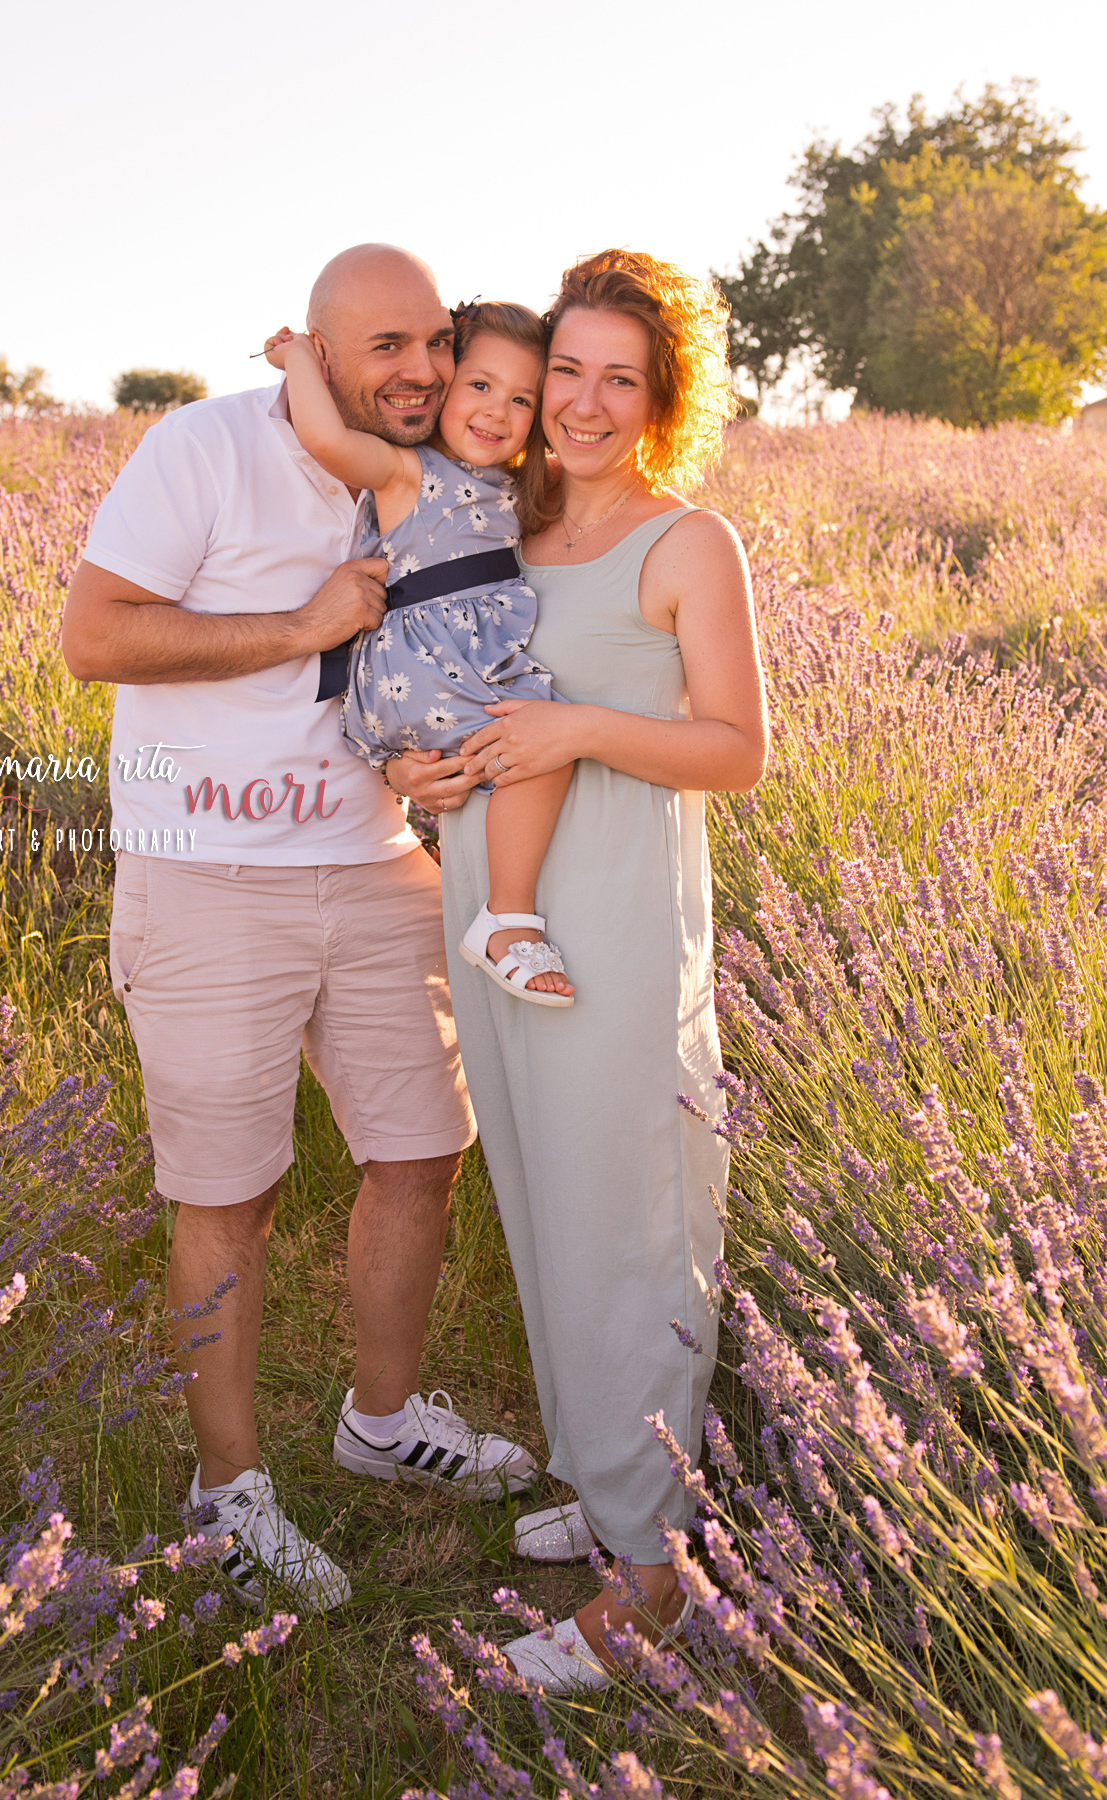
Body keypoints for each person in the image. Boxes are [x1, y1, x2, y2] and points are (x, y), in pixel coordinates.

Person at [60, 243, 534, 1617]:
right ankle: (227, 1494)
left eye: (433, 340)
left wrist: (431, 772)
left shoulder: (449, 473)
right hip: (207, 874)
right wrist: (298, 623)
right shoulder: (202, 449)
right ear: (316, 354)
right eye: (385, 347)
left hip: (378, 869)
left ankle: (382, 1423)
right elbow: (95, 637)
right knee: (230, 1197)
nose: (423, 370)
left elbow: (425, 661)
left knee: (421, 1152)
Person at [417, 248, 769, 1690]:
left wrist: (574, 736)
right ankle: (618, 1493)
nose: (582, 399)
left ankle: (653, 1594)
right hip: (490, 907)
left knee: (627, 1218)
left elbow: (740, 751)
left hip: (612, 921)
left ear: (661, 396)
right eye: (568, 367)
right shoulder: (502, 515)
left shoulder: (686, 543)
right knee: (544, 1202)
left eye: (621, 376)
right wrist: (430, 763)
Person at [262, 303, 575, 1004]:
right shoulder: (408, 470)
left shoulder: (518, 483)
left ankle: (489, 893)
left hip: (424, 679)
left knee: (516, 758)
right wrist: (302, 361)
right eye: (480, 386)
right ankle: (507, 918)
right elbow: (325, 437)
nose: (498, 411)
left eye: (522, 399)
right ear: (443, 387)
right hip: (422, 668)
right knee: (544, 746)